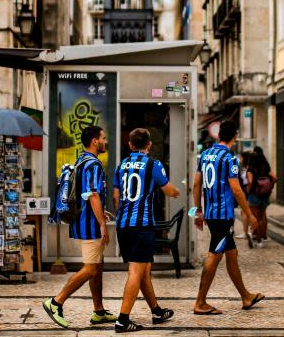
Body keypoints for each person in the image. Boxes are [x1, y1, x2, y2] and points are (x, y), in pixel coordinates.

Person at [43, 126, 118, 328]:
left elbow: (87, 195)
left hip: (85, 220)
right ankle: (56, 302)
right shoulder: (93, 164)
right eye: (103, 138)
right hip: (90, 224)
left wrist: (101, 212)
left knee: (97, 266)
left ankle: (99, 311)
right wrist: (102, 222)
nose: (105, 141)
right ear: (94, 141)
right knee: (91, 268)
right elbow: (92, 194)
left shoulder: (81, 160)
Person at [192, 120, 266, 315]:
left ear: (218, 135)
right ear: (234, 136)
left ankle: (246, 296)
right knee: (214, 256)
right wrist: (249, 214)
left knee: (231, 254)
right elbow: (236, 188)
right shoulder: (230, 158)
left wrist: (197, 210)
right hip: (223, 215)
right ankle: (200, 302)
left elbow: (196, 184)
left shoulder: (206, 154)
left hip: (211, 213)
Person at [112, 128, 181, 333]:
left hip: (123, 224)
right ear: (149, 145)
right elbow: (167, 189)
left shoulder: (121, 165)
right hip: (142, 225)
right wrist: (176, 192)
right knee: (136, 272)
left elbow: (116, 197)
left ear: (130, 145)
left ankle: (157, 311)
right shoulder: (153, 164)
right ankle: (123, 320)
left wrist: (123, 214)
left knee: (144, 271)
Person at [246, 147, 276, 245]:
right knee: (262, 216)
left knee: (255, 217)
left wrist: (247, 191)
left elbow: (250, 181)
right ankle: (262, 237)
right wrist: (270, 188)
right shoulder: (265, 166)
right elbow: (275, 178)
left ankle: (256, 237)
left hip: (254, 194)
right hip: (265, 195)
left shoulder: (251, 168)